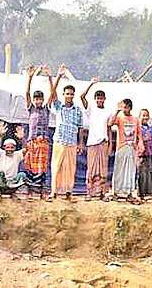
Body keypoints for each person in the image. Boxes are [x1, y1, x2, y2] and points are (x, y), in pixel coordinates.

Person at [47, 65, 84, 202]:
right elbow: (52, 94)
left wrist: (80, 143)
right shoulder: (59, 107)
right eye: (67, 93)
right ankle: (54, 192)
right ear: (64, 95)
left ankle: (68, 192)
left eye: (71, 94)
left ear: (73, 95)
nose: (69, 96)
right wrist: (56, 77)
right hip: (60, 140)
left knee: (70, 168)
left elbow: (80, 128)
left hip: (72, 142)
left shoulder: (78, 110)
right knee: (56, 166)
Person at [24, 65, 55, 201]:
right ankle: (30, 191)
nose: (38, 101)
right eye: (36, 99)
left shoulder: (46, 109)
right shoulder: (31, 109)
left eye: (40, 99)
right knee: (31, 165)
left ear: (42, 100)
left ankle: (42, 191)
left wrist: (50, 77)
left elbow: (52, 95)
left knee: (42, 166)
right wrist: (30, 78)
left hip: (43, 141)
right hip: (32, 141)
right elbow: (26, 94)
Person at [81, 76, 112, 202]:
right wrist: (91, 84)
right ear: (95, 99)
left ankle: (101, 194)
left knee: (103, 169)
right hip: (92, 142)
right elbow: (82, 97)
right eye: (98, 98)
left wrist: (110, 144)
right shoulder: (91, 109)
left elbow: (109, 128)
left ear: (104, 99)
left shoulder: (108, 112)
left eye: (101, 98)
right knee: (92, 168)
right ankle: (89, 192)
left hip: (103, 142)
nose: (99, 100)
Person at [109, 99, 144, 203]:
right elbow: (110, 123)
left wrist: (140, 142)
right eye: (123, 107)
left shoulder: (135, 119)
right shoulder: (119, 117)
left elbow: (138, 133)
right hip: (121, 147)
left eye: (126, 107)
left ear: (130, 108)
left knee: (130, 171)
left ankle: (128, 193)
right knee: (119, 170)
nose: (124, 109)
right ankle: (116, 193)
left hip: (132, 147)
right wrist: (117, 110)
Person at [0, 123, 27, 201]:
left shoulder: (17, 155)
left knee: (22, 175)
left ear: (15, 148)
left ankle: (13, 193)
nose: (10, 149)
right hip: (1, 181)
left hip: (12, 182)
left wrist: (22, 139)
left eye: (12, 147)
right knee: (0, 174)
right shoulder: (1, 153)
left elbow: (26, 149)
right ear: (4, 147)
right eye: (7, 147)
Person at [138, 109, 152, 201]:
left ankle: (149, 190)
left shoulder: (151, 128)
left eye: (147, 116)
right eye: (143, 115)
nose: (145, 118)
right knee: (142, 172)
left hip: (150, 152)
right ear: (139, 117)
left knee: (149, 171)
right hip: (141, 153)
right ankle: (141, 192)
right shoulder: (138, 128)